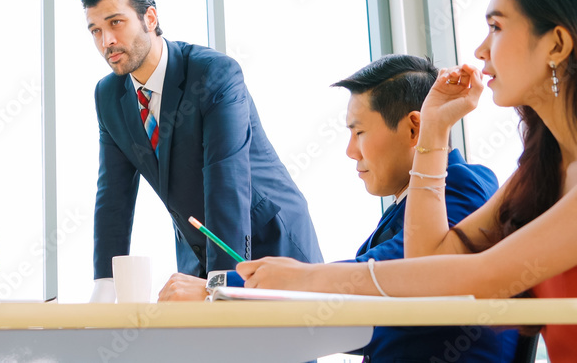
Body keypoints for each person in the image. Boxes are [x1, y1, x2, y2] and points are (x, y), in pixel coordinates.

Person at [236, 0, 577, 361]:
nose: (481, 50)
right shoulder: (543, 171)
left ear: (557, 43)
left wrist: (309, 277)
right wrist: (434, 129)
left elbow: (481, 277)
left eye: (497, 27)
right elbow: (432, 262)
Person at [162, 55, 518, 360]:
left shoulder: (465, 185)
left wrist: (218, 293)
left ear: (414, 130)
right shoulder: (404, 207)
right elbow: (355, 320)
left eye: (359, 132)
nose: (351, 150)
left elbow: (394, 273)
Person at [80, 0, 321, 301]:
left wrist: (219, 287)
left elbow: (227, 182)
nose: (106, 41)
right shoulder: (109, 95)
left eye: (115, 23)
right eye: (95, 30)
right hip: (199, 254)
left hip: (270, 247)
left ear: (149, 18)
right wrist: (104, 286)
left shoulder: (213, 73)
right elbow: (113, 197)